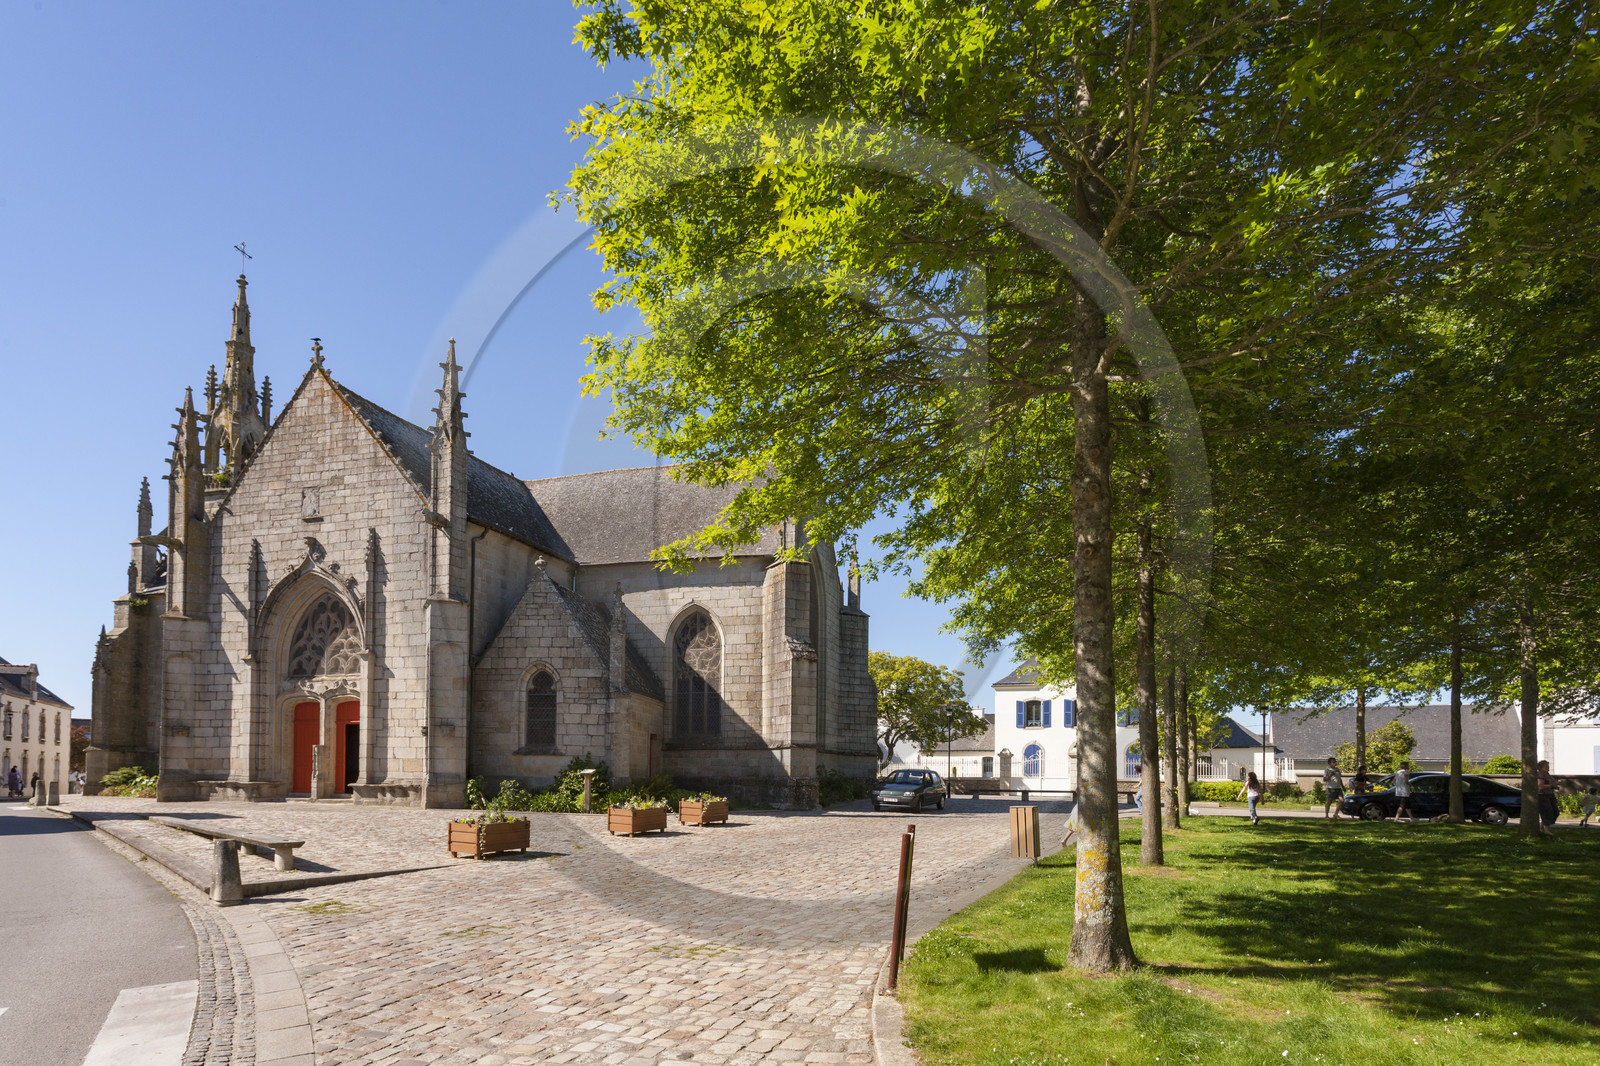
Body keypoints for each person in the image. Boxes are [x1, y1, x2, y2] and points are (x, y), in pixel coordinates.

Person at [1537, 760, 1558, 834]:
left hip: (1550, 795)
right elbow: (1540, 786)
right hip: (1543, 795)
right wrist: (1552, 785)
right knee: (1547, 812)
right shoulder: (1540, 775)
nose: (1548, 767)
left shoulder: (1548, 775)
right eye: (1546, 766)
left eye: (1548, 766)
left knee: (1555, 812)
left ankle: (1542, 826)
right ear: (1541, 767)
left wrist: (1555, 785)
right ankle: (1547, 830)